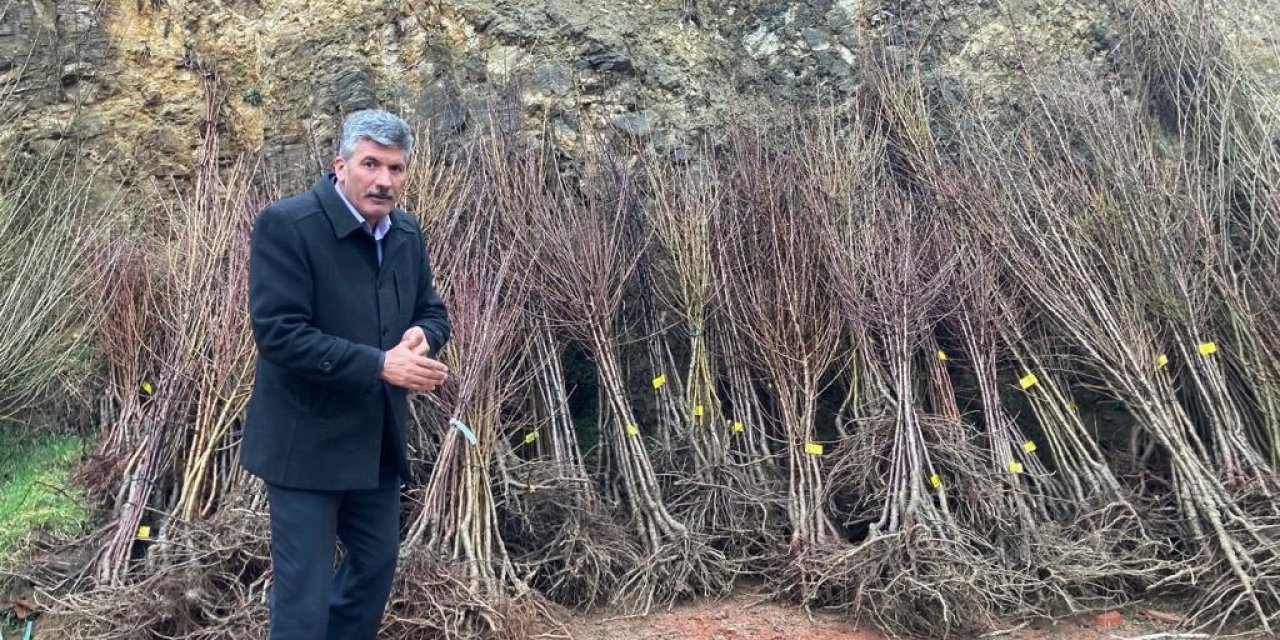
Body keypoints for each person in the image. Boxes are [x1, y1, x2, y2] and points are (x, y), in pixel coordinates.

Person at [242, 109, 450, 640]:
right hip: (303, 444)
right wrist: (380, 363)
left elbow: (432, 309)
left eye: (396, 169)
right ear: (341, 164)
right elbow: (280, 335)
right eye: (371, 164)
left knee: (374, 571)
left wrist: (424, 336)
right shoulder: (288, 225)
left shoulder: (405, 232)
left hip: (374, 441)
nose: (384, 181)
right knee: (303, 593)